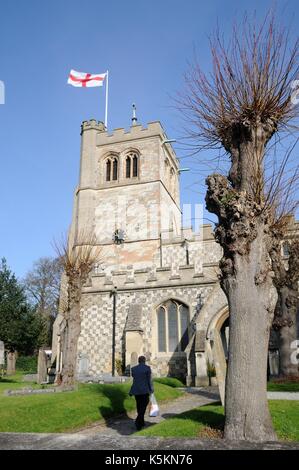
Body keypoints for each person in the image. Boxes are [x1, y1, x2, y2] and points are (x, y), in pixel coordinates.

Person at [129, 355, 154, 430]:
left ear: (138, 361)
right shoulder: (147, 368)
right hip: (144, 390)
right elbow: (149, 380)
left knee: (139, 405)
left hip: (136, 390)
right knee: (144, 405)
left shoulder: (133, 369)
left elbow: (134, 377)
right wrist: (151, 389)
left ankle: (141, 422)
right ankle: (138, 421)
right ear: (144, 361)